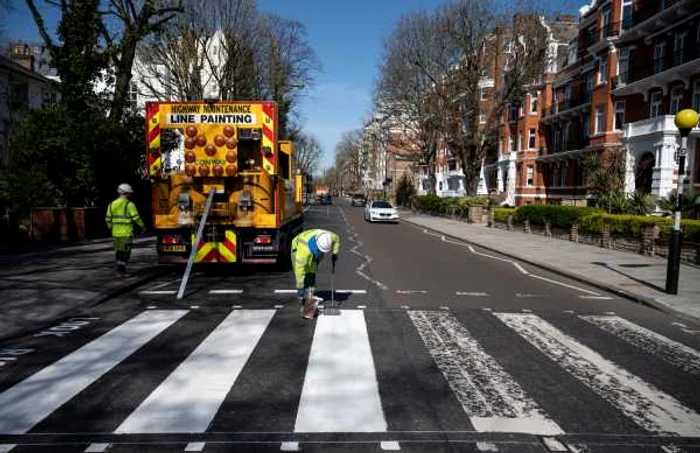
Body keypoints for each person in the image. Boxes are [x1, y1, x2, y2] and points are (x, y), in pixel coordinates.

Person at [291, 229, 340, 319]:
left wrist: (334, 253)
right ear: (317, 246)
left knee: (311, 273)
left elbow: (337, 239)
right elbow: (299, 274)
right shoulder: (303, 253)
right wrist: (300, 289)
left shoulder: (328, 236)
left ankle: (309, 298)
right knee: (302, 277)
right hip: (297, 247)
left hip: (313, 250)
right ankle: (302, 300)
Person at [106, 183, 145, 278]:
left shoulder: (111, 204)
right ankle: (121, 271)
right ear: (125, 193)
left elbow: (107, 219)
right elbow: (136, 218)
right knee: (125, 252)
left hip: (115, 233)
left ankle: (120, 270)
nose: (130, 195)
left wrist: (111, 227)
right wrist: (142, 227)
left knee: (119, 251)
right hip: (126, 233)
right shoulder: (130, 205)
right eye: (129, 193)